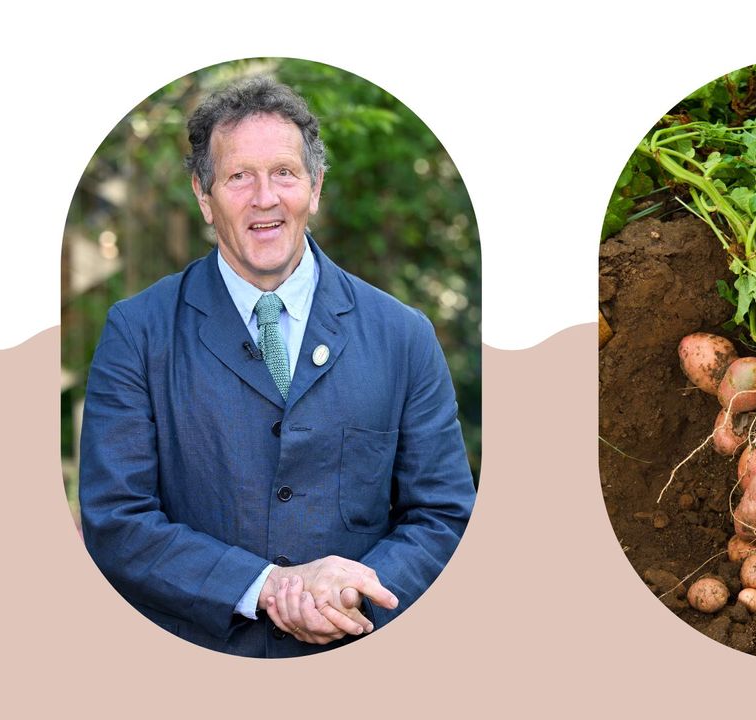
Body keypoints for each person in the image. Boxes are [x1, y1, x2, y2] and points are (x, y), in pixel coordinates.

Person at [79, 77, 475, 658]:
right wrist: (266, 587)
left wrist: (355, 593)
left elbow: (443, 515)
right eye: (239, 176)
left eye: (284, 173)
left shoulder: (402, 336)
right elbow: (116, 519)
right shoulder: (137, 332)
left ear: (314, 188)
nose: (264, 197)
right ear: (203, 195)